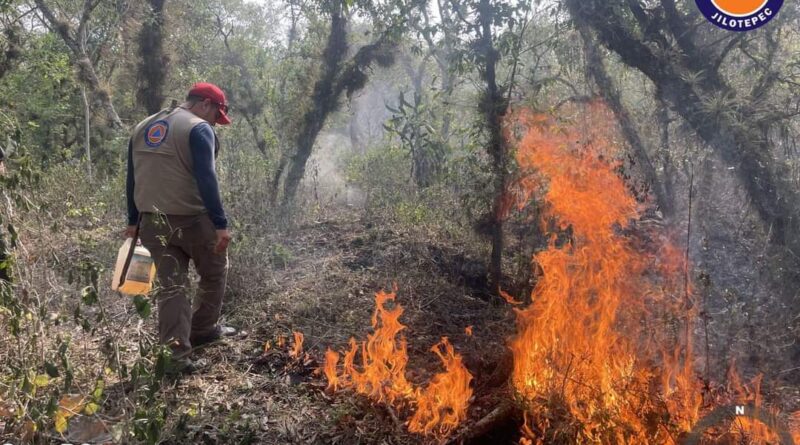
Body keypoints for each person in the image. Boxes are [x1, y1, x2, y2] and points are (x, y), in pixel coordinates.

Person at [125, 82, 235, 373]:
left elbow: (131, 178)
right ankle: (202, 330)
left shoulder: (143, 126)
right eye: (216, 115)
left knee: (172, 288)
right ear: (206, 104)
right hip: (193, 221)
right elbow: (206, 178)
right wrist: (221, 224)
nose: (215, 123)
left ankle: (175, 358)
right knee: (214, 272)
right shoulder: (199, 128)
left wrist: (132, 220)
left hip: (151, 222)